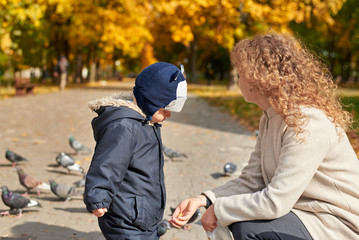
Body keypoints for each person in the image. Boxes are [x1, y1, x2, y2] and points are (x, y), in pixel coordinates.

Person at [170, 33, 359, 240]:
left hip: (336, 222)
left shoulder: (307, 123)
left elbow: (275, 201)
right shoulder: (270, 117)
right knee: (239, 221)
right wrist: (205, 199)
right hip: (304, 213)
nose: (238, 78)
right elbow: (252, 180)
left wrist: (218, 210)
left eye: (240, 73)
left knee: (247, 228)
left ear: (255, 80)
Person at [84, 62, 187, 240]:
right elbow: (107, 163)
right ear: (151, 102)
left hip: (143, 213)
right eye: (165, 110)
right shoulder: (124, 127)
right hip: (126, 217)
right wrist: (98, 195)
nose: (168, 115)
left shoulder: (146, 122)